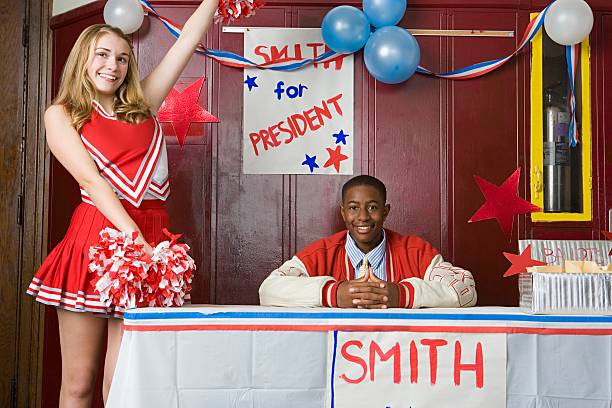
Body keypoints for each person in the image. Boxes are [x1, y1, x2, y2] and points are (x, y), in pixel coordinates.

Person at [26, 1, 219, 406]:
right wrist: (137, 244)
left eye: (121, 59)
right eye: (101, 55)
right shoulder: (62, 114)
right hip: (97, 239)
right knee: (78, 382)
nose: (111, 66)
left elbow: (187, 41)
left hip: (150, 234)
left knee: (125, 383)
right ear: (82, 60)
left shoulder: (143, 105)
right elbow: (91, 181)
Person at [259, 175, 477, 309]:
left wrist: (402, 295)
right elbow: (268, 290)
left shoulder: (415, 251)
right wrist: (332, 294)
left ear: (385, 211)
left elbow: (465, 291)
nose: (362, 217)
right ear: (343, 213)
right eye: (354, 208)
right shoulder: (321, 253)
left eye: (372, 207)